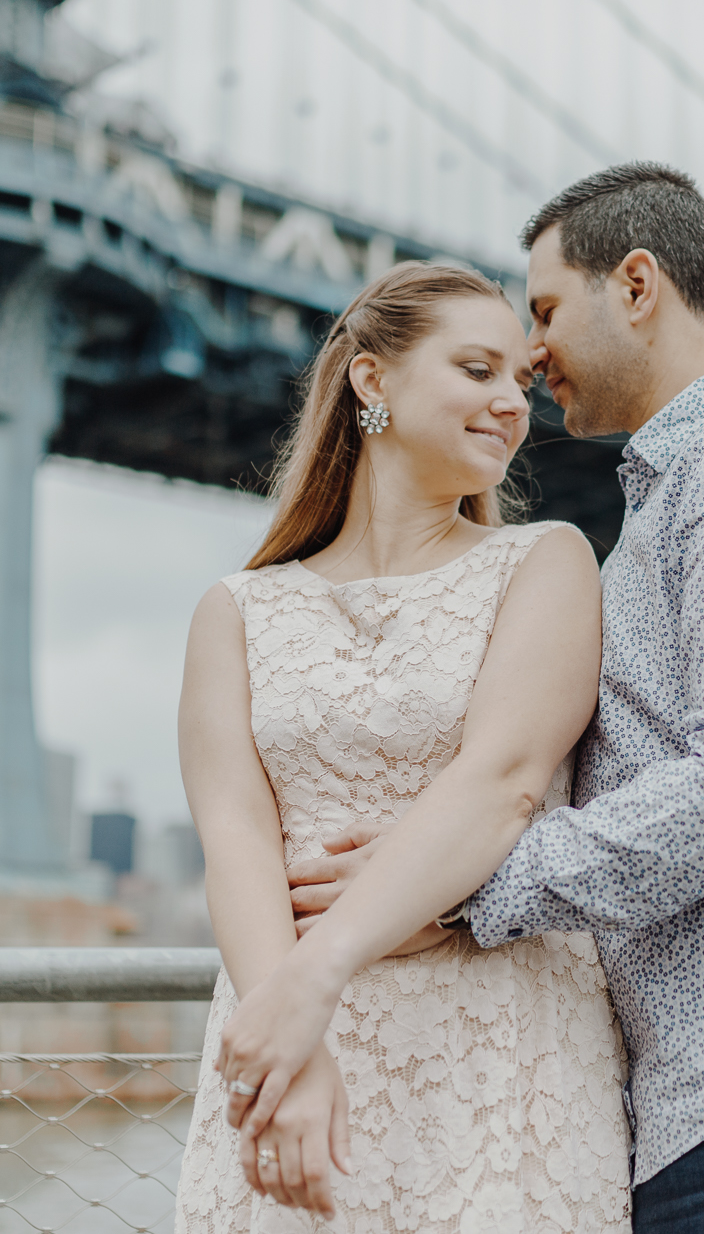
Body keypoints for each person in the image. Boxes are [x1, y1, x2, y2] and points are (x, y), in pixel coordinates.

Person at [272, 163, 704, 1232]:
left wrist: (460, 890)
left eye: (542, 309)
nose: (527, 354)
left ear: (635, 285)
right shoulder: (678, 491)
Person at [172, 261, 633, 1231]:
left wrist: (312, 978)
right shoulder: (235, 610)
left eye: (520, 380)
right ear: (370, 381)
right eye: (476, 370)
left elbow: (502, 784)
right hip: (295, 1037)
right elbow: (237, 839)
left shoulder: (545, 561)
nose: (511, 403)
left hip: (495, 1045)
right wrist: (286, 1051)